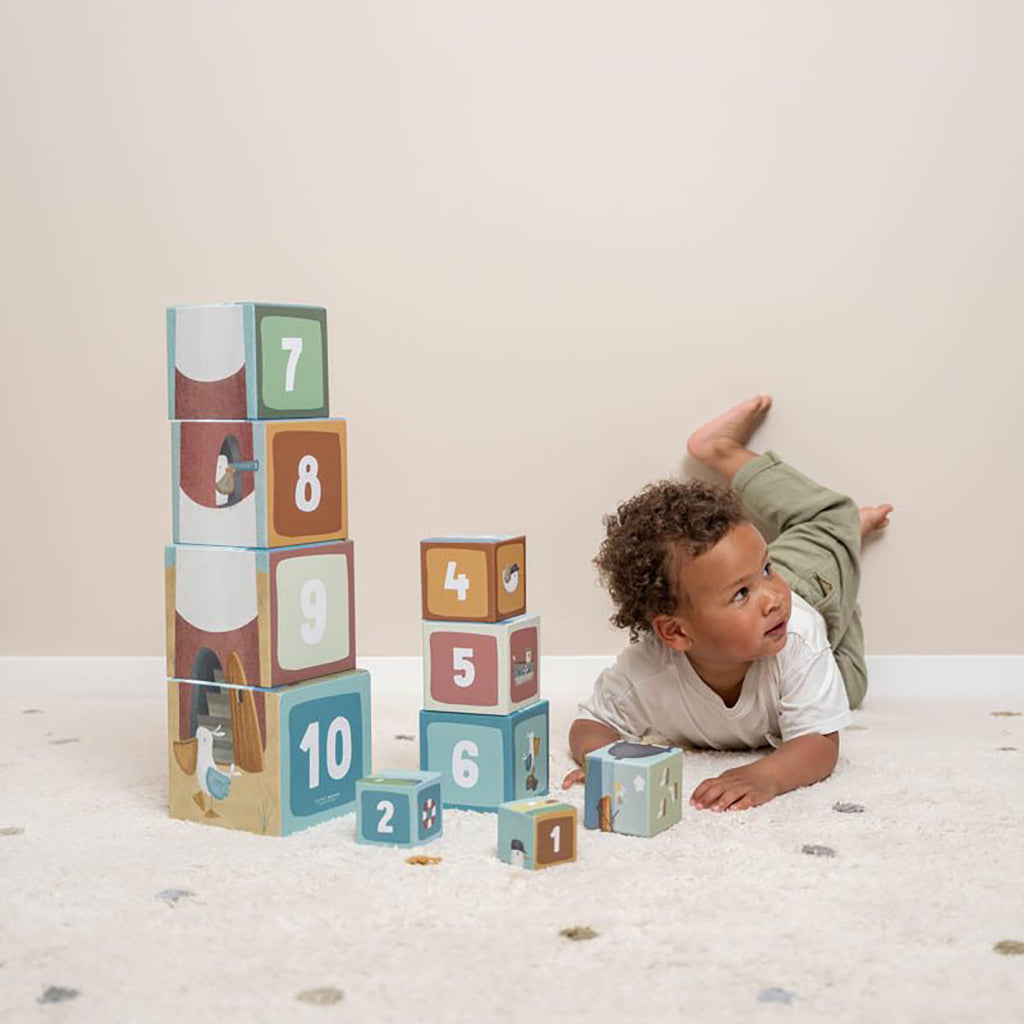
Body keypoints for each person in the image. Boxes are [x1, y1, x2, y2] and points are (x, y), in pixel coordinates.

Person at [563, 395, 892, 812]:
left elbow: (820, 745)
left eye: (765, 570)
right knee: (852, 689)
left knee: (835, 518)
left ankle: (723, 453)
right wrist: (605, 763)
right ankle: (845, 579)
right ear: (677, 631)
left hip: (809, 587)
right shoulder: (648, 671)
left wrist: (767, 775)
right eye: (741, 594)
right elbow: (590, 725)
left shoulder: (794, 630)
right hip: (812, 641)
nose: (771, 597)